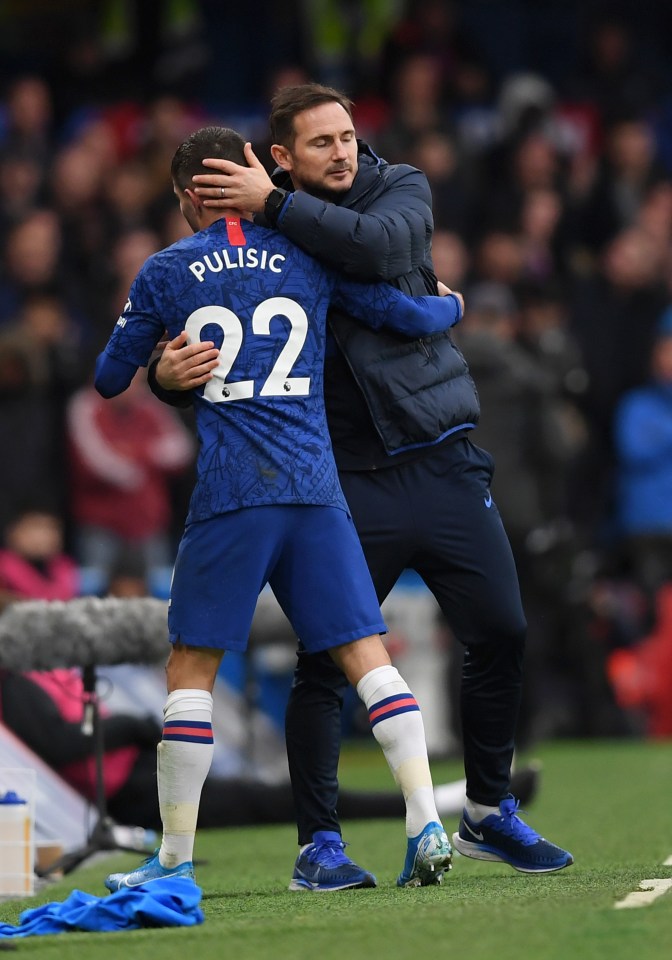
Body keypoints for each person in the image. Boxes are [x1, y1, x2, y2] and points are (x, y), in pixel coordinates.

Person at [152, 83, 573, 884]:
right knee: (328, 661)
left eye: (346, 136)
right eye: (322, 143)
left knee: (503, 631)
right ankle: (321, 844)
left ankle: (487, 810)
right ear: (281, 157)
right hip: (344, 478)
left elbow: (379, 250)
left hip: (440, 456)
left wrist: (274, 205)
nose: (343, 151)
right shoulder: (268, 237)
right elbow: (221, 340)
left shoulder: (397, 188)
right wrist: (165, 375)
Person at [93, 124, 464, 892]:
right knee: (368, 657)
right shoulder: (306, 255)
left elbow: (106, 378)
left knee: (191, 668)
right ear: (257, 171)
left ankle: (172, 863)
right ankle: (426, 822)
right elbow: (403, 315)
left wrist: (162, 361)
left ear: (185, 196)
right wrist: (447, 308)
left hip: (233, 494)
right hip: (317, 490)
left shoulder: (165, 270)